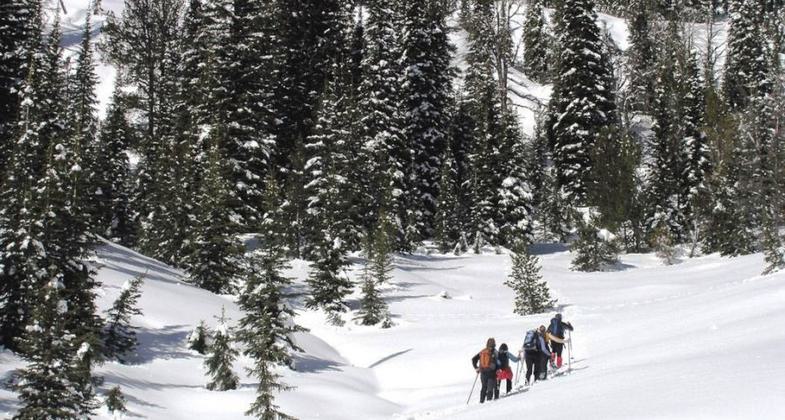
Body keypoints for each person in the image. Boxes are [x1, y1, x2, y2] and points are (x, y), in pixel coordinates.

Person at [471, 338, 499, 403]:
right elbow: (498, 362)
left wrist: (476, 368)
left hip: (483, 372)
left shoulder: (482, 351)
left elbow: (473, 359)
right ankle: (488, 404)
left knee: (484, 387)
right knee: (490, 389)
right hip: (491, 373)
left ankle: (481, 402)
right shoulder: (495, 352)